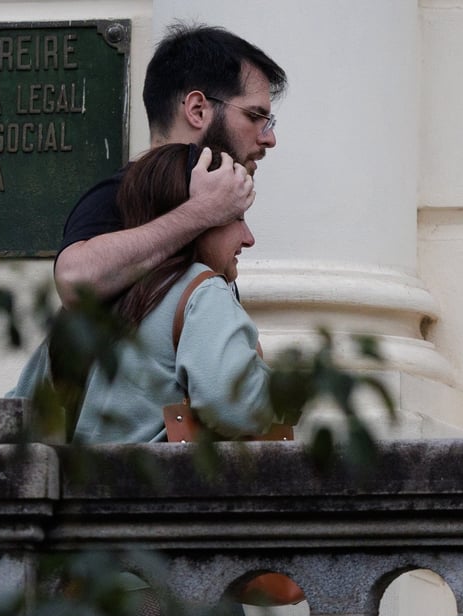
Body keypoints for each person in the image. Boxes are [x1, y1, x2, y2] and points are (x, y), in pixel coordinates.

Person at [53, 23, 287, 308]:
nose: (269, 139)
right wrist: (204, 211)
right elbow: (75, 281)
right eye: (254, 116)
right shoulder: (117, 194)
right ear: (197, 110)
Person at [71, 142, 272, 443]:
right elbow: (236, 408)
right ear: (201, 220)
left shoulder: (94, 299)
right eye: (237, 218)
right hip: (151, 486)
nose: (249, 239)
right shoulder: (203, 291)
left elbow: (23, 408)